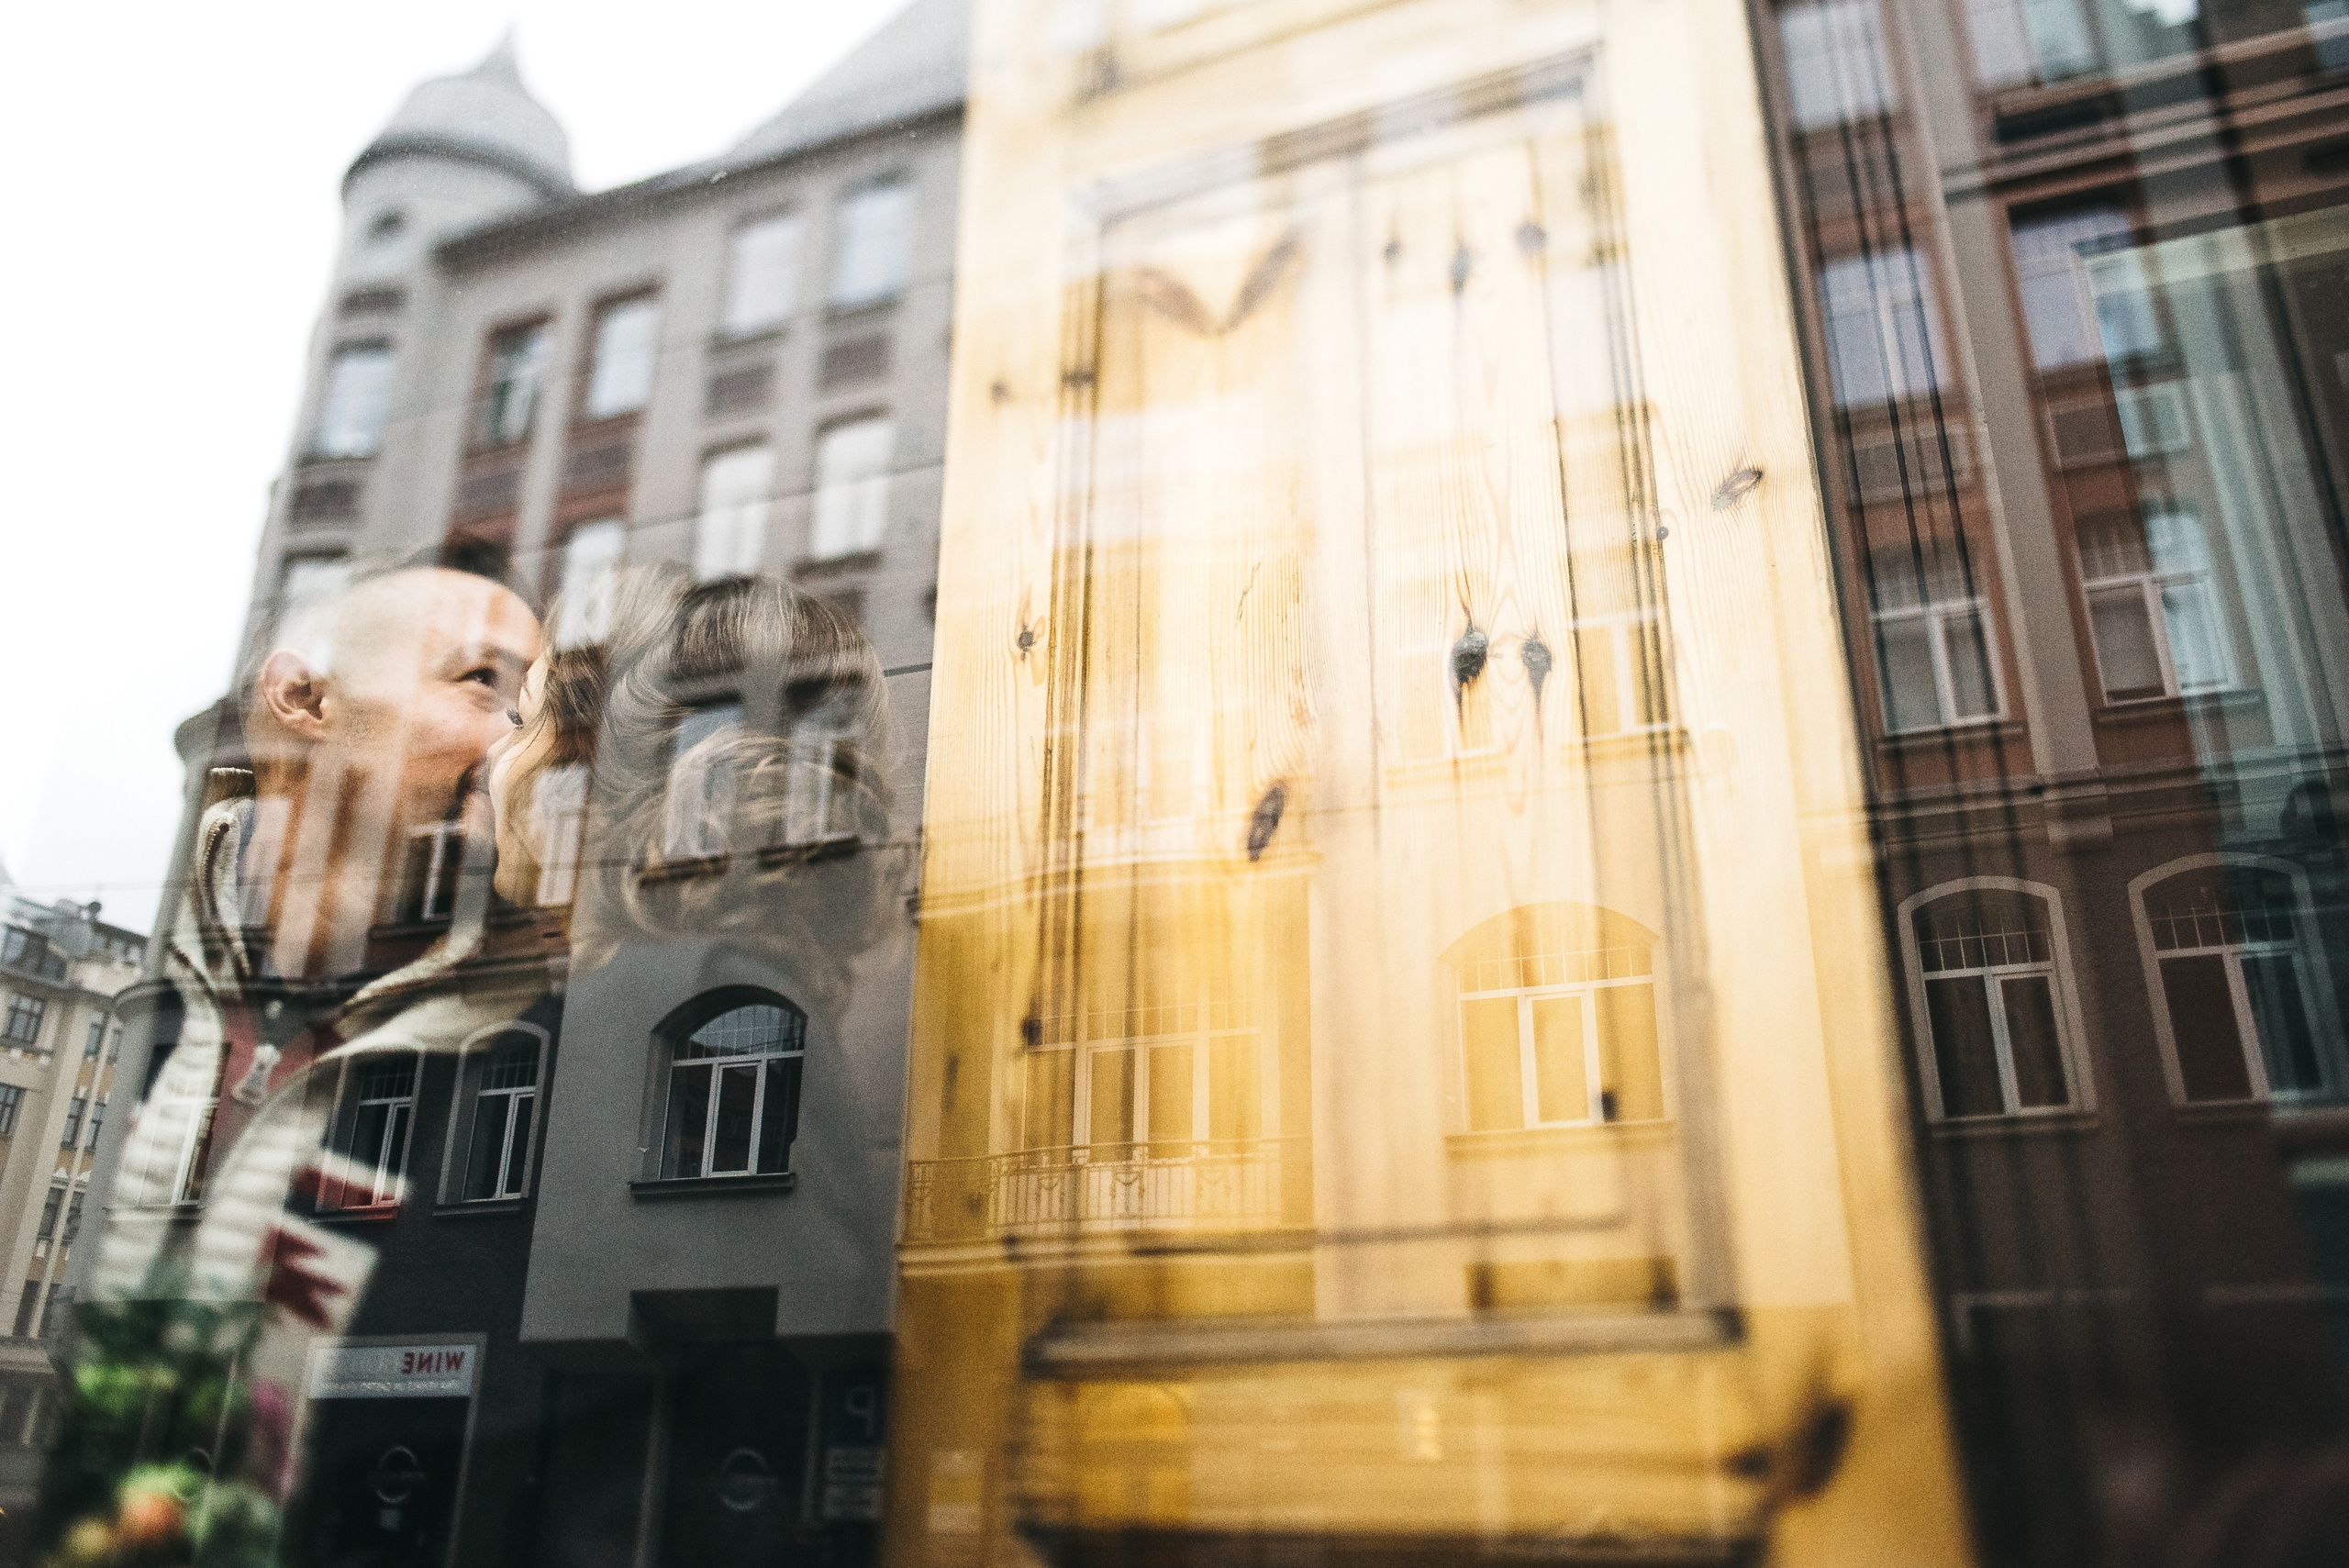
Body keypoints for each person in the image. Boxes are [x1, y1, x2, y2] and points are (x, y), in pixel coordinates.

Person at [36, 561, 545, 1568]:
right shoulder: (190, 985)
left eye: (525, 707)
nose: (512, 742)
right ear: (305, 697)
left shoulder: (520, 995)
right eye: (479, 683)